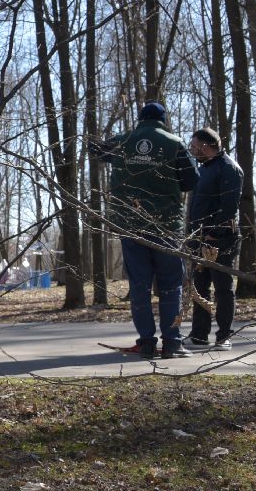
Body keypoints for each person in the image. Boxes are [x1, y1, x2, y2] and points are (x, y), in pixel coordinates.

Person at [90, 102, 199, 359]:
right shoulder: (174, 142)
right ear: (163, 120)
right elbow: (192, 180)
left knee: (139, 286)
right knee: (171, 286)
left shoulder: (124, 140)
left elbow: (95, 148)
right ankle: (172, 342)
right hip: (166, 226)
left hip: (130, 225)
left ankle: (147, 342)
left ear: (140, 119)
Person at [185, 127, 242, 349]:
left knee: (222, 288)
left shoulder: (228, 168)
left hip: (220, 239)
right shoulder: (203, 169)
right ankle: (199, 334)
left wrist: (215, 233)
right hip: (198, 238)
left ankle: (224, 335)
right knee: (199, 287)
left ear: (205, 146)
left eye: (194, 146)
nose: (192, 150)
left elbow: (229, 205)